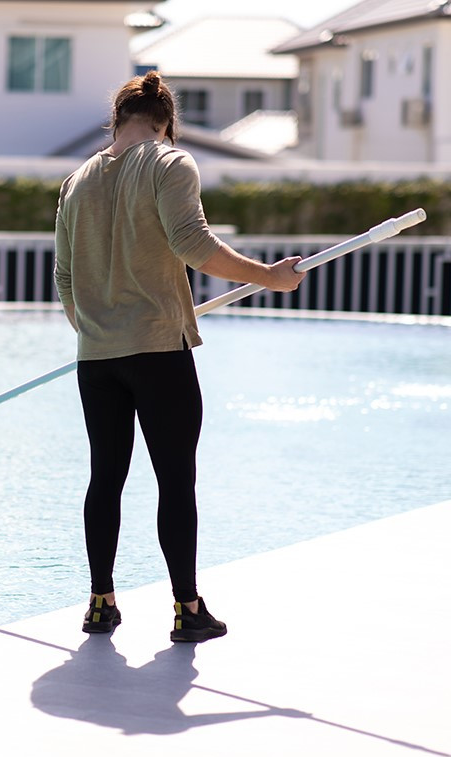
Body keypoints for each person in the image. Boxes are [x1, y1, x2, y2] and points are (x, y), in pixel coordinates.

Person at [54, 71, 305, 642]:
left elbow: (65, 278)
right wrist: (267, 276)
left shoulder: (76, 181)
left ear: (115, 120)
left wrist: (95, 329)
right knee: (175, 481)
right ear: (166, 122)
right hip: (158, 350)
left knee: (105, 478)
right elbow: (191, 242)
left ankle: (100, 604)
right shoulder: (171, 163)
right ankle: (187, 611)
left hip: (97, 357)